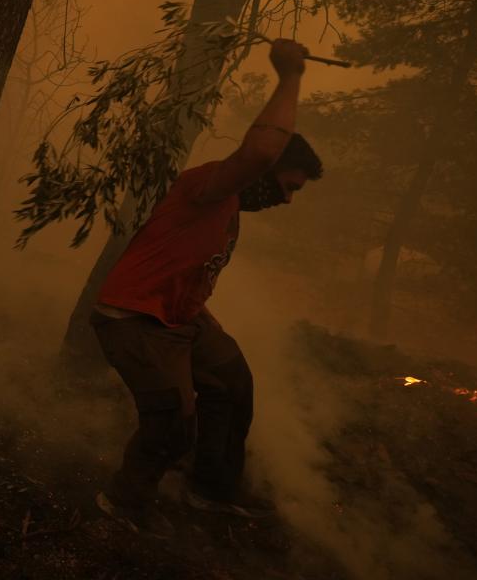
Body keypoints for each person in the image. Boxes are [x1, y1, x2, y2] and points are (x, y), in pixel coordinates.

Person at [92, 39, 323, 536]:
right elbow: (260, 150)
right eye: (289, 185)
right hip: (133, 322)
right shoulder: (210, 186)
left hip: (177, 320)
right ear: (270, 171)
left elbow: (191, 271)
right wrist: (289, 76)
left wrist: (200, 316)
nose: (286, 199)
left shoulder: (230, 211)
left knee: (233, 384)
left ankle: (212, 489)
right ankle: (124, 503)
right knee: (174, 423)